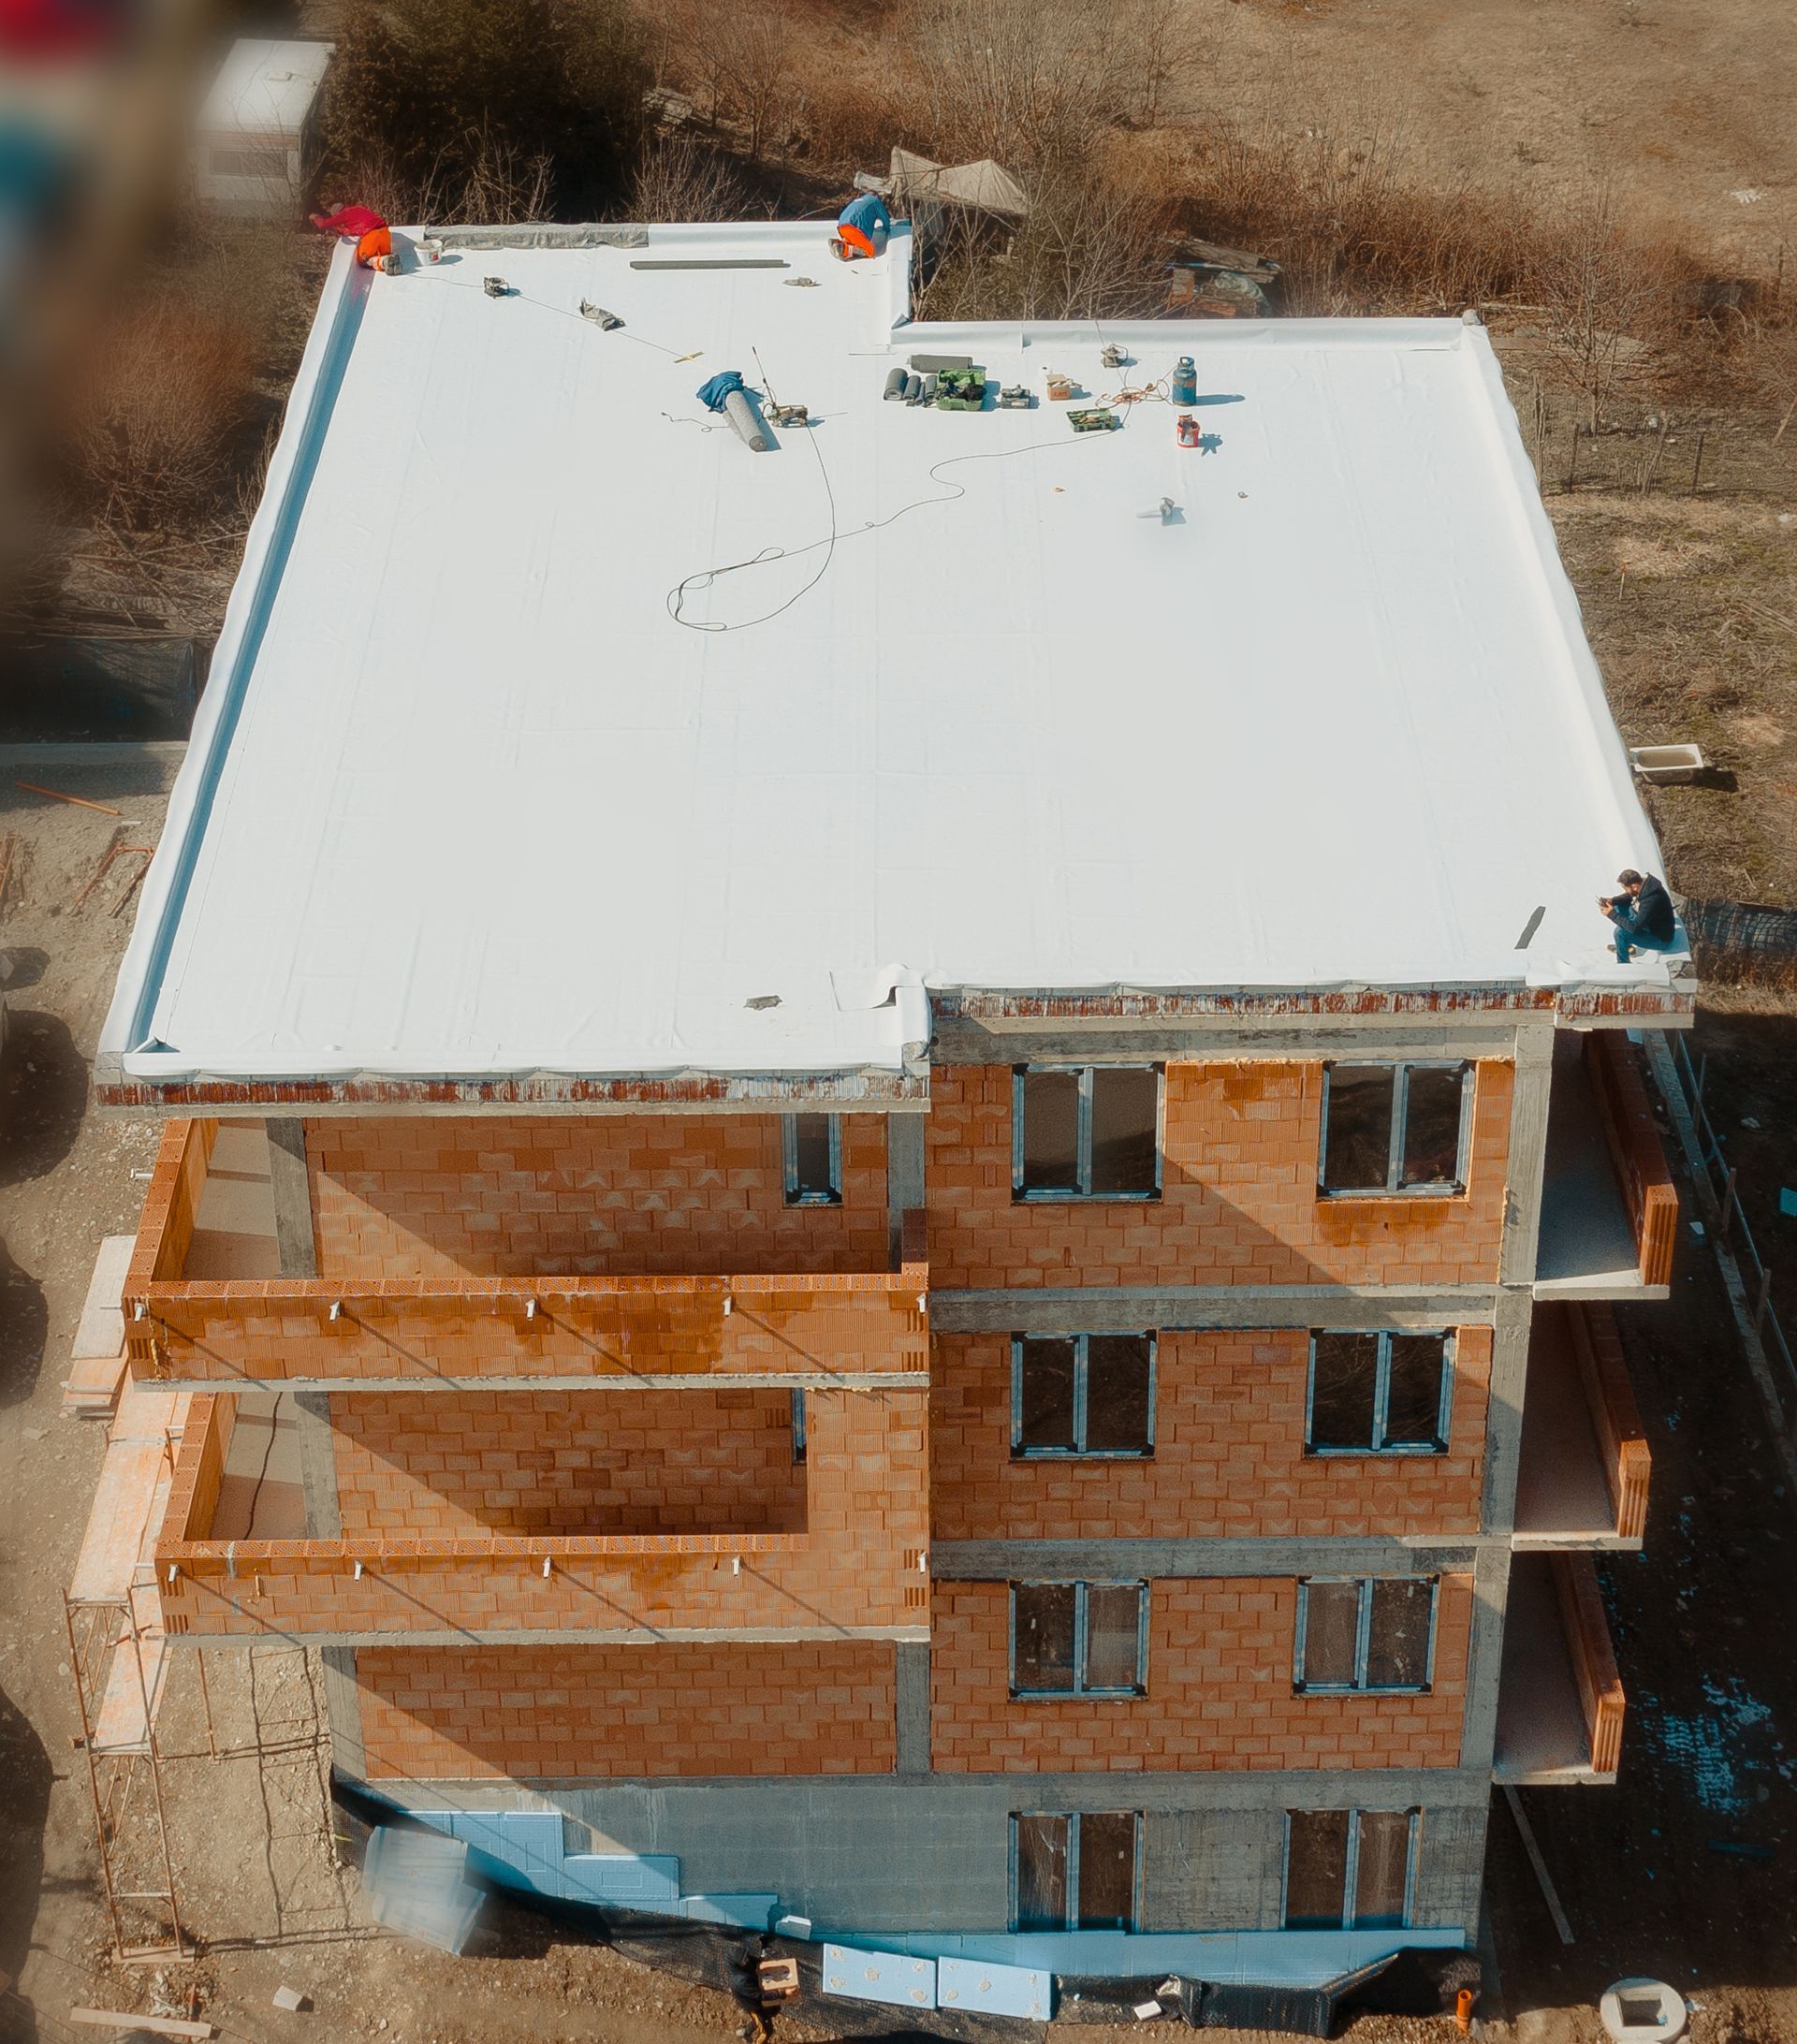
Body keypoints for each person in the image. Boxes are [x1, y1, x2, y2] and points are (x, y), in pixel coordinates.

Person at [1600, 869, 1677, 962]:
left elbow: (1634, 928)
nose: (1626, 891)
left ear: (1634, 886)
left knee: (1620, 933)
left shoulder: (1651, 900)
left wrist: (1612, 914)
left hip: (1660, 939)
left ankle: (1623, 965)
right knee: (1617, 907)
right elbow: (1630, 896)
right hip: (1648, 923)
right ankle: (1624, 945)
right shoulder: (1645, 886)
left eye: (1626, 889)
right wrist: (1613, 901)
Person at [832, 191, 892, 262]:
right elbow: (885, 219)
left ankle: (840, 243)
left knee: (853, 240)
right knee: (870, 252)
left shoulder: (859, 200)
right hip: (853, 229)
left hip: (841, 226)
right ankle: (845, 250)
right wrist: (887, 230)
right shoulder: (875, 201)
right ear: (876, 196)